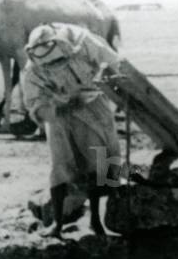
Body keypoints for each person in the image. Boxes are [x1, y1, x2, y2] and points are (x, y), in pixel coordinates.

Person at [22, 23, 121, 238]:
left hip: (93, 107)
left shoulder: (85, 43)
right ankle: (57, 224)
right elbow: (34, 104)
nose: (53, 66)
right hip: (57, 113)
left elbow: (115, 65)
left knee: (101, 161)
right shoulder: (31, 70)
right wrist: (58, 107)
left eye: (57, 60)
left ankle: (97, 221)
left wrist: (107, 83)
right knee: (60, 165)